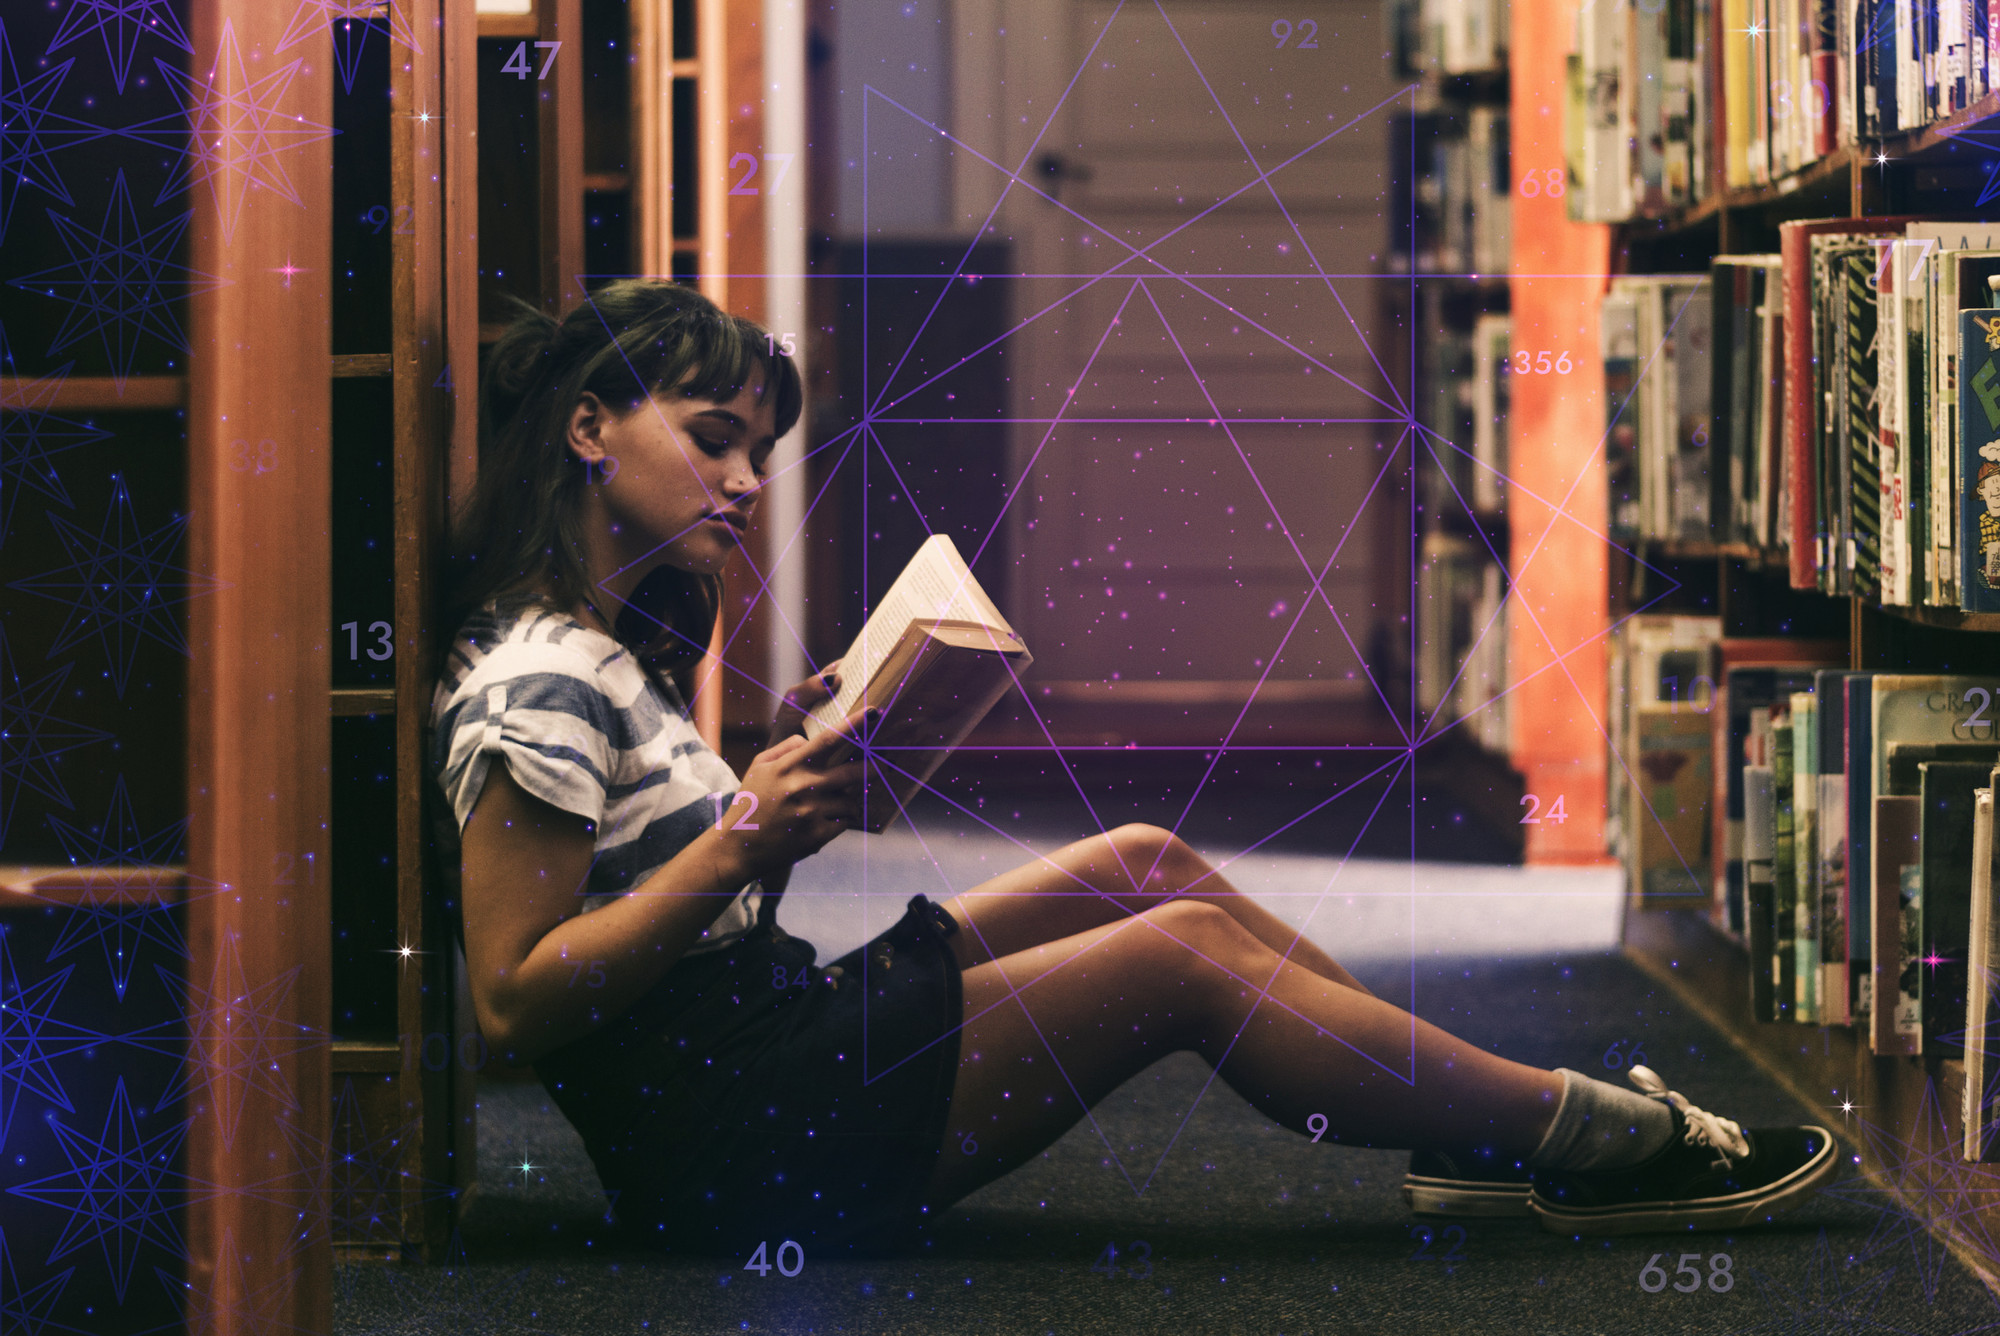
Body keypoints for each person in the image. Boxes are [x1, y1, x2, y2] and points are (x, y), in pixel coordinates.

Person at [429, 279, 1836, 1257]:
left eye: (756, 450)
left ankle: (1469, 1122)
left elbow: (654, 882)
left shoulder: (607, 651)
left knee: (1146, 866)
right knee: (1181, 960)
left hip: (769, 1034)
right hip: (736, 1142)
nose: (746, 482)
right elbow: (514, 998)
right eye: (713, 440)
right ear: (590, 429)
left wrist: (787, 770)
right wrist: (746, 835)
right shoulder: (539, 683)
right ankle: (1589, 1139)